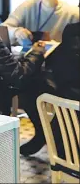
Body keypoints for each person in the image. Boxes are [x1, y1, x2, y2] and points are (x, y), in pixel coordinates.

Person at [20, 22, 80, 156]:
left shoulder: (72, 29)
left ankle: (43, 132)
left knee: (27, 85)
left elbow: (58, 62)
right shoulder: (73, 30)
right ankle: (44, 132)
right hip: (69, 98)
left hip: (68, 99)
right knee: (30, 85)